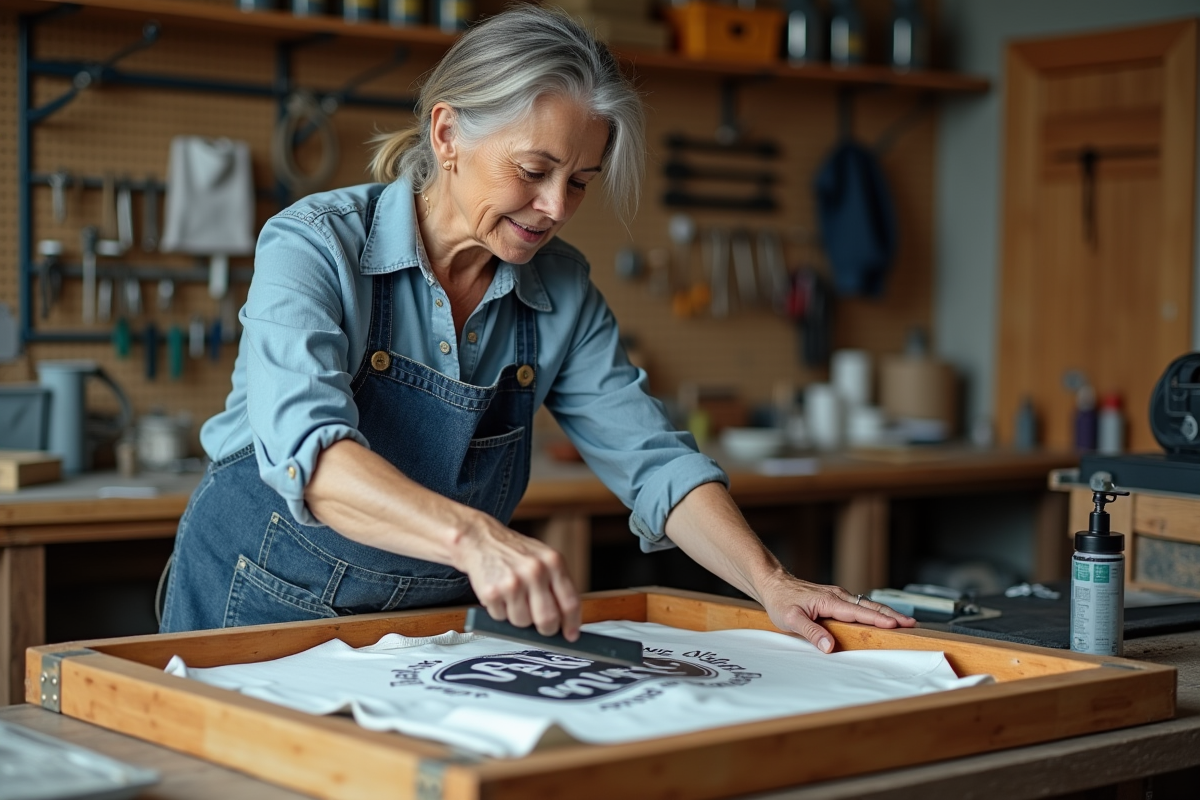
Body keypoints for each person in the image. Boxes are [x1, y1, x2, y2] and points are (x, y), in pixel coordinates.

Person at [159, 5, 914, 651]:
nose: (556, 206)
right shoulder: (315, 244)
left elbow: (652, 462)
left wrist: (771, 583)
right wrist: (476, 539)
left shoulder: (561, 290)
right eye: (533, 169)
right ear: (448, 135)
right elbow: (313, 458)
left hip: (422, 633)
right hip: (252, 613)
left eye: (579, 180)